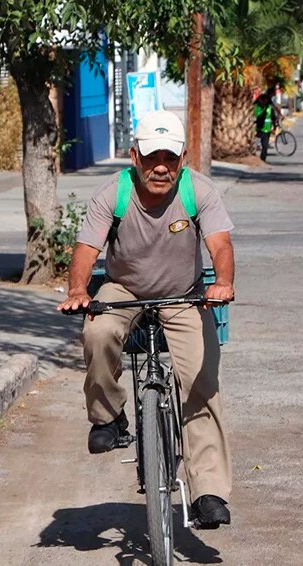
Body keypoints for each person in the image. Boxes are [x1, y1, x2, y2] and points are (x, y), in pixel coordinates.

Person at [57, 110, 236, 529]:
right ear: (134, 156)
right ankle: (108, 416)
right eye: (152, 157)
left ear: (182, 158)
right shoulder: (113, 193)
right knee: (98, 332)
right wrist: (78, 291)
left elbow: (220, 245)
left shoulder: (198, 191)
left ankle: (209, 491)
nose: (160, 167)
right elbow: (86, 249)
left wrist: (223, 283)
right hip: (124, 290)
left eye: (170, 158)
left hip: (184, 294)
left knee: (200, 380)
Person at [254, 92, 278, 161]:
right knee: (264, 145)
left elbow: (273, 118)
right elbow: (259, 116)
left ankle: (263, 159)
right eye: (263, 100)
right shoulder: (258, 107)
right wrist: (265, 110)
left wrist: (274, 128)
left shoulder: (269, 108)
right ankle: (262, 158)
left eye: (266, 100)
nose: (265, 101)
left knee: (265, 146)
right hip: (261, 129)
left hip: (268, 129)